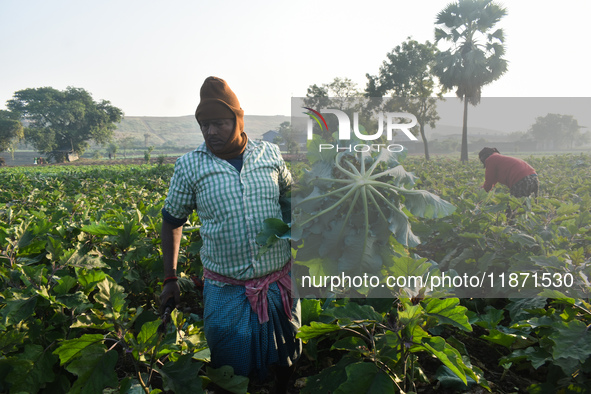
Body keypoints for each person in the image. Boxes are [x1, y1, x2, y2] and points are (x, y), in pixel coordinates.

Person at [159, 76, 301, 392]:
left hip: (278, 283)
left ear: (238, 121)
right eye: (204, 125)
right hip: (226, 288)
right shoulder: (190, 166)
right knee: (230, 369)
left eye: (219, 123)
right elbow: (172, 221)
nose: (211, 132)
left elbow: (291, 201)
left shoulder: (270, 155)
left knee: (286, 357)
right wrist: (170, 277)